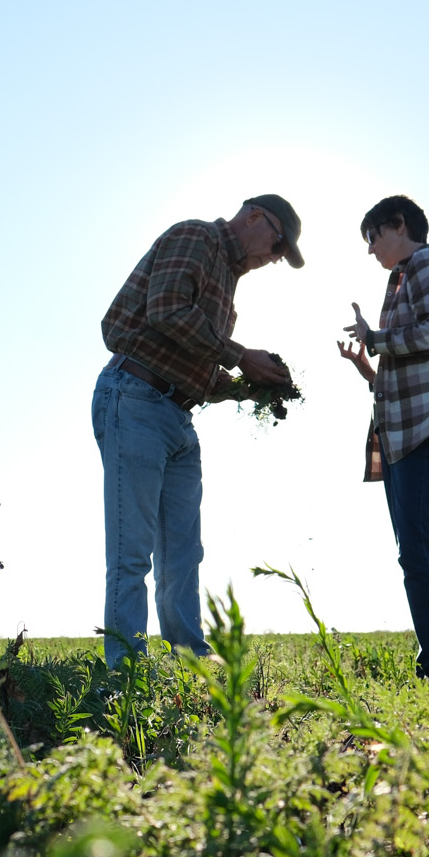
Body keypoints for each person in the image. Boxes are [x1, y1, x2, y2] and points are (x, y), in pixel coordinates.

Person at [95, 196, 302, 667]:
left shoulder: (228, 285)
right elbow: (166, 309)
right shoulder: (196, 237)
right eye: (278, 244)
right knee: (133, 552)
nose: (274, 258)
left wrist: (250, 390)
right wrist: (240, 354)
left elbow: (201, 370)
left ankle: (188, 663)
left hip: (178, 417)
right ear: (254, 216)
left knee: (184, 553)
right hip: (135, 396)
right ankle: (124, 674)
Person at [338, 195, 429, 681]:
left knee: (417, 550)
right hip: (406, 431)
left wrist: (376, 338)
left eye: (373, 236)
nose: (371, 249)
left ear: (398, 225)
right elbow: (415, 365)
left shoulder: (425, 264)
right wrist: (368, 366)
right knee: (419, 547)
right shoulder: (405, 277)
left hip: (425, 430)